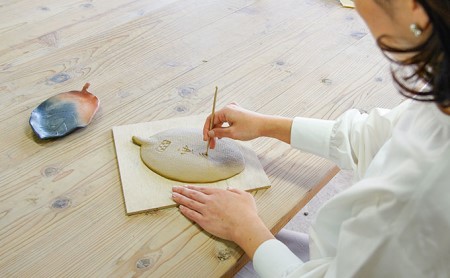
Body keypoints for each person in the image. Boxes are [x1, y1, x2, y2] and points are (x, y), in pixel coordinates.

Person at [172, 0, 450, 276]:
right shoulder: (441, 94)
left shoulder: (421, 192)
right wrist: (265, 125)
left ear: (413, 7)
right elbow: (371, 136)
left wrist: (244, 227)